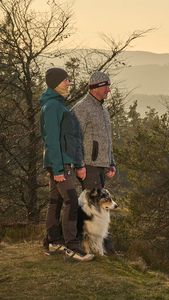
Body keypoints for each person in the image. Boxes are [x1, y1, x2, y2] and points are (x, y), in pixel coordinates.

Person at [40, 67, 94, 262]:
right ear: (55, 83)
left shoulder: (57, 104)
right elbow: (52, 140)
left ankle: (53, 240)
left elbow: (69, 137)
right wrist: (59, 168)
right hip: (60, 163)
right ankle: (72, 246)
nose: (69, 82)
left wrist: (76, 162)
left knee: (56, 201)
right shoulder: (53, 107)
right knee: (71, 201)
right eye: (65, 80)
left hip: (62, 161)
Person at [71, 71, 116, 254]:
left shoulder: (103, 109)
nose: (109, 90)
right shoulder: (82, 108)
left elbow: (108, 140)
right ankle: (102, 247)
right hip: (88, 164)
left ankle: (95, 245)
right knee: (96, 205)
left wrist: (111, 163)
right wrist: (79, 164)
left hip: (101, 164)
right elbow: (74, 138)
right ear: (96, 87)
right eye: (106, 86)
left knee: (98, 205)